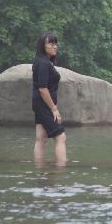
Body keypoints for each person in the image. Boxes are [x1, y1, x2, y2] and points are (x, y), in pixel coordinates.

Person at [31, 32, 67, 165]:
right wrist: (54, 109)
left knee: (41, 138)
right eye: (51, 43)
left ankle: (40, 169)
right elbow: (42, 88)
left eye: (55, 43)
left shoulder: (43, 62)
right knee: (60, 136)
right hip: (43, 104)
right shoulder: (43, 63)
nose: (55, 46)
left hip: (39, 103)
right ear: (42, 46)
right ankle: (61, 170)